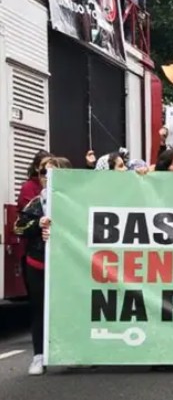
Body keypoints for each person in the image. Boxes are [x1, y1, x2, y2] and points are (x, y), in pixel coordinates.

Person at [14, 156, 73, 375]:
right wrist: (37, 224)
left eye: (52, 173)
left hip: (70, 265)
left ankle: (74, 350)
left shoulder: (78, 201)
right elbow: (18, 228)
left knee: (71, 307)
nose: (46, 178)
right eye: (42, 173)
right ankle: (39, 355)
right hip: (38, 264)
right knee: (39, 309)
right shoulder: (36, 203)